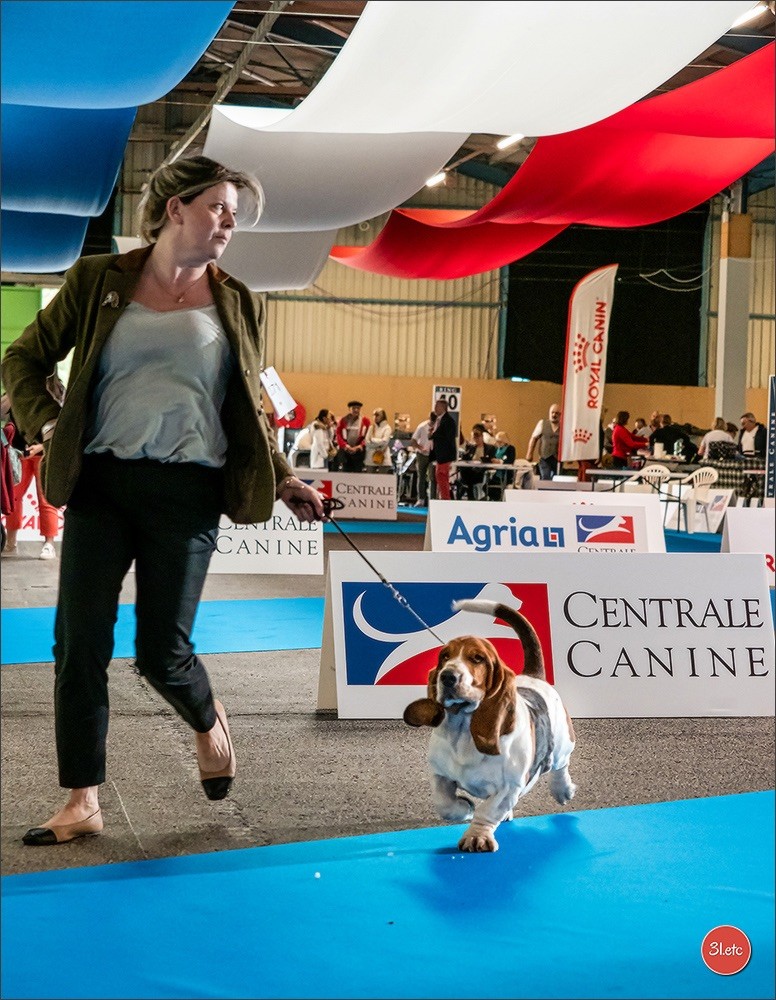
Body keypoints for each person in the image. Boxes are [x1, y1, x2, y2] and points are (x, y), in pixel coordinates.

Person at [1, 155, 325, 847]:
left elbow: (250, 408)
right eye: (217, 207)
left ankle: (209, 724)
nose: (229, 221)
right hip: (101, 484)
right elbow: (21, 359)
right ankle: (81, 797)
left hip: (188, 492)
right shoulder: (98, 281)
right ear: (175, 208)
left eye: (234, 212)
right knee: (77, 644)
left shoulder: (238, 300)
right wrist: (48, 423)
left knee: (161, 652)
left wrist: (285, 475)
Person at [457, 423, 497, 499]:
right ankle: (468, 495)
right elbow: (466, 457)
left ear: (482, 437)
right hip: (471, 470)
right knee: (465, 474)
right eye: (475, 438)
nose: (476, 440)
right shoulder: (471, 448)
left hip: (481, 471)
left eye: (478, 437)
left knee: (468, 479)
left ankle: (466, 495)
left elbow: (491, 460)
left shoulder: (490, 448)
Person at [428, 398, 457, 500]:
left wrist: (434, 435)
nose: (435, 408)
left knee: (442, 476)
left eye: (437, 406)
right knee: (439, 477)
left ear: (443, 407)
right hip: (439, 454)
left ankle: (445, 499)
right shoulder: (438, 420)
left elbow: (448, 437)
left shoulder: (448, 421)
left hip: (445, 454)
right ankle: (442, 497)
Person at [526, 403, 561, 480]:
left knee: (557, 478)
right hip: (544, 457)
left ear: (561, 414)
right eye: (552, 412)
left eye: (557, 413)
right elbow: (534, 438)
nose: (554, 415)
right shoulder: (542, 423)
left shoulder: (564, 426)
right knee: (545, 477)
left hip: (558, 458)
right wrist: (529, 453)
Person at [334, 401, 370, 472]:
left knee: (358, 472)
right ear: (349, 409)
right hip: (346, 451)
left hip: (359, 452)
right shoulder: (343, 420)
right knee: (346, 471)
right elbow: (338, 434)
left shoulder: (365, 421)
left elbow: (368, 436)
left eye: (358, 408)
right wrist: (345, 446)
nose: (356, 410)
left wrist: (359, 446)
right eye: (354, 408)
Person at [410, 411, 435, 506]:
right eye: (432, 421)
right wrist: (420, 448)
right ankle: (421, 499)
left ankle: (432, 499)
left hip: (432, 455)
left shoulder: (438, 427)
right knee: (421, 476)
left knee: (432, 478)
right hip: (422, 454)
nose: (433, 423)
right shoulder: (422, 426)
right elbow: (413, 441)